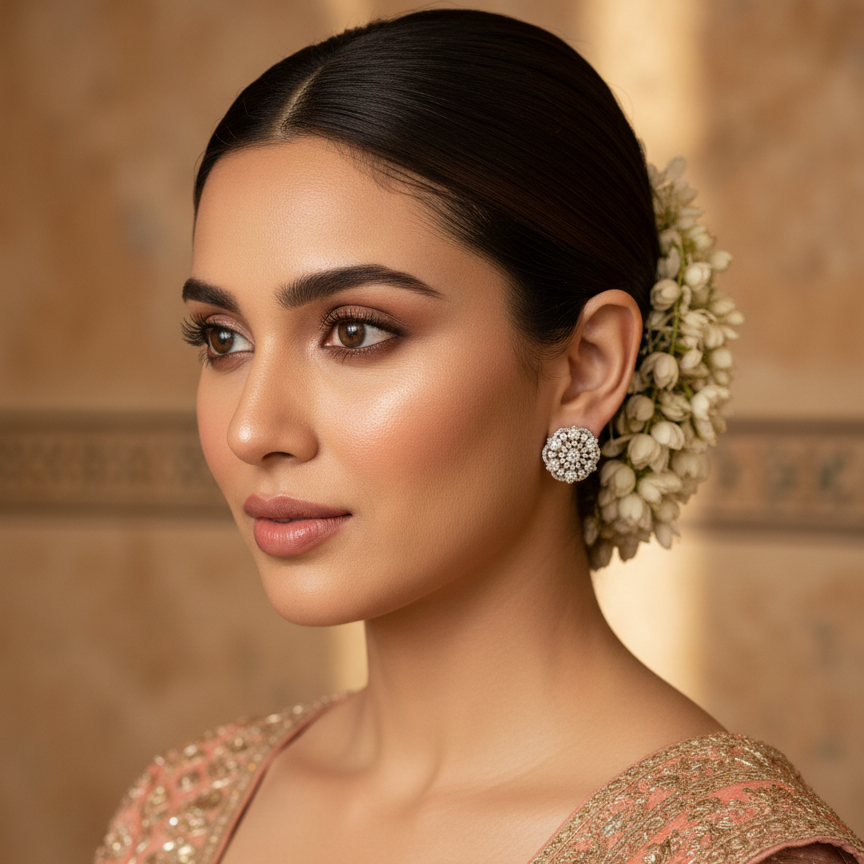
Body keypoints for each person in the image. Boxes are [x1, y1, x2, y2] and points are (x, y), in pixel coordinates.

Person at [95, 10, 863, 864]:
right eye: (223, 339)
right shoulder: (183, 810)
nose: (250, 429)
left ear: (586, 367)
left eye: (355, 331)